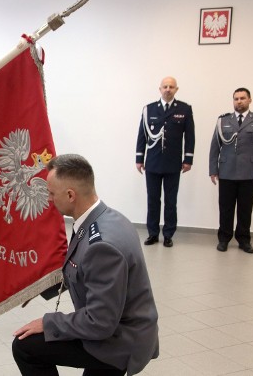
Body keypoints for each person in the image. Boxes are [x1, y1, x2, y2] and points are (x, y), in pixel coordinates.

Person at [12, 154, 159, 376]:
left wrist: (49, 322)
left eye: (52, 193)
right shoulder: (107, 218)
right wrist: (41, 286)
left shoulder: (102, 246)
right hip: (120, 327)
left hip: (120, 340)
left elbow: (99, 322)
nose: (49, 199)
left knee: (26, 346)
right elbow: (83, 270)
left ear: (71, 195)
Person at [209, 88, 253, 253]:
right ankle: (224, 239)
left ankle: (244, 240)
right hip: (227, 171)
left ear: (249, 100)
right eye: (236, 98)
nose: (239, 101)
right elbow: (215, 147)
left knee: (245, 208)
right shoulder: (223, 120)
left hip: (249, 172)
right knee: (226, 208)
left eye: (242, 98)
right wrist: (213, 169)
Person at [136, 76, 195, 247]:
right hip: (153, 163)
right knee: (153, 200)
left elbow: (190, 136)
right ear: (160, 89)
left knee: (171, 201)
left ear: (176, 89)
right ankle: (153, 233)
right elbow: (142, 135)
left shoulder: (184, 109)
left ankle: (168, 234)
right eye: (165, 86)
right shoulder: (149, 109)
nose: (168, 89)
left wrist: (188, 159)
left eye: (171, 86)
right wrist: (139, 158)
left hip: (173, 164)